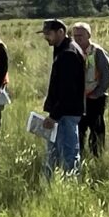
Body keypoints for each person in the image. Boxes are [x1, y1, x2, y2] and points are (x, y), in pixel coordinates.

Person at [40, 18, 85, 178]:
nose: (46, 37)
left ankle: (71, 187)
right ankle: (52, 183)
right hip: (61, 112)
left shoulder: (68, 53)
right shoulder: (62, 49)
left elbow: (68, 91)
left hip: (65, 113)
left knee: (68, 152)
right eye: (44, 34)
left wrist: (54, 116)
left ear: (61, 32)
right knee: (54, 151)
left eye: (49, 33)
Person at [73, 23, 109, 158]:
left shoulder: (97, 52)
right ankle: (80, 155)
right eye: (75, 36)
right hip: (78, 99)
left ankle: (97, 155)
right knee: (79, 128)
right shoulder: (72, 51)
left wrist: (98, 93)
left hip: (95, 98)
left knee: (96, 128)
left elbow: (107, 73)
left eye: (81, 35)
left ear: (89, 35)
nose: (77, 38)